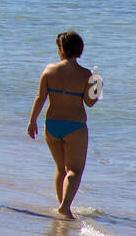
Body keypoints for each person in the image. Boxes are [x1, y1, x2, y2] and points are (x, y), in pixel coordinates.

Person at [26, 30, 99, 220]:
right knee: (74, 170)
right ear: (79, 49)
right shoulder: (87, 74)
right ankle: (65, 207)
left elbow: (40, 97)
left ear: (61, 49)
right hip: (75, 126)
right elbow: (90, 103)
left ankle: (62, 206)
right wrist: (97, 86)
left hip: (51, 124)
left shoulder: (49, 70)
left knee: (60, 168)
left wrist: (32, 120)